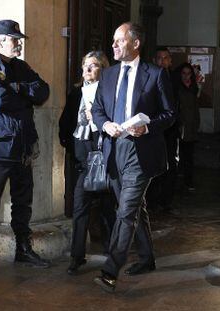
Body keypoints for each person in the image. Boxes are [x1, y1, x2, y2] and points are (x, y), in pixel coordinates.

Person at [91, 22, 175, 292]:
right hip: (115, 150)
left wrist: (147, 126)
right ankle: (147, 257)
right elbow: (97, 110)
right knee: (135, 207)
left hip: (142, 151)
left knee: (125, 213)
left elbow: (170, 113)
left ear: (136, 43)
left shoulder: (156, 74)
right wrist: (106, 125)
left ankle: (110, 271)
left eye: (119, 41)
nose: (113, 46)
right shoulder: (107, 75)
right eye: (113, 41)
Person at [0, 20, 50, 278]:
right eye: (14, 39)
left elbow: (42, 91)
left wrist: (17, 87)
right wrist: (21, 96)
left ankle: (23, 249)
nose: (19, 43)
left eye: (19, 39)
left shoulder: (20, 67)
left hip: (23, 145)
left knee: (22, 202)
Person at [59, 51, 116, 275]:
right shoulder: (76, 93)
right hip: (82, 161)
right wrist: (69, 144)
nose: (87, 70)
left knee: (106, 208)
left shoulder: (109, 93)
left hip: (102, 158)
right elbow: (66, 121)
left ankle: (113, 253)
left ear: (103, 69)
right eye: (85, 66)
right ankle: (76, 256)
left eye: (93, 66)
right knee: (80, 207)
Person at [146, 47, 177, 210]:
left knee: (170, 163)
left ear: (170, 61)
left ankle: (165, 199)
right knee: (153, 163)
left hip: (171, 129)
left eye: (166, 58)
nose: (162, 61)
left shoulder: (175, 79)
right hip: (154, 127)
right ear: (154, 60)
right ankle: (151, 199)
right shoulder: (149, 77)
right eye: (159, 58)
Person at [174, 63, 200, 191]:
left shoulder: (194, 87)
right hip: (180, 127)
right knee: (179, 156)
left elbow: (195, 108)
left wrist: (196, 124)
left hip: (191, 127)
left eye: (188, 73)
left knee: (189, 156)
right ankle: (177, 181)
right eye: (183, 73)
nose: (186, 76)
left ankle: (188, 181)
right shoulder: (177, 88)